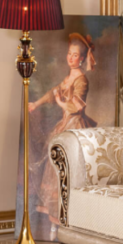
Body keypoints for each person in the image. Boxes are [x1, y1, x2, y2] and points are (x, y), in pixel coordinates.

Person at [28, 33, 97, 230]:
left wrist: (60, 102)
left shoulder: (82, 80)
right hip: (65, 125)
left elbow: (76, 108)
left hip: (75, 126)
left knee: (69, 169)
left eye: (75, 55)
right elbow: (53, 93)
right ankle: (55, 221)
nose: (70, 58)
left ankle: (71, 219)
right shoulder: (68, 78)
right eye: (69, 53)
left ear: (82, 58)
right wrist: (36, 104)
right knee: (56, 169)